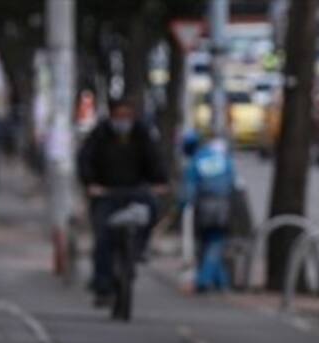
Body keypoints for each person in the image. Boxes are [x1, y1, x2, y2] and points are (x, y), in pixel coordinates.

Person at [77, 96, 168, 303]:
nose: (123, 121)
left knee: (151, 209)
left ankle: (139, 248)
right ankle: (102, 286)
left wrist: (160, 182)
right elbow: (85, 159)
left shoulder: (142, 133)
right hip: (106, 192)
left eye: (127, 116)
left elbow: (155, 159)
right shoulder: (99, 134)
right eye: (119, 116)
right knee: (102, 237)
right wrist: (91, 184)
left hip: (135, 191)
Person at [178, 132, 239, 293]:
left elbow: (189, 189)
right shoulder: (221, 158)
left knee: (210, 243)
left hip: (204, 206)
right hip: (224, 205)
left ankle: (204, 280)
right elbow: (233, 181)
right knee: (215, 241)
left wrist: (182, 206)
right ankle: (221, 281)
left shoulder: (195, 162)